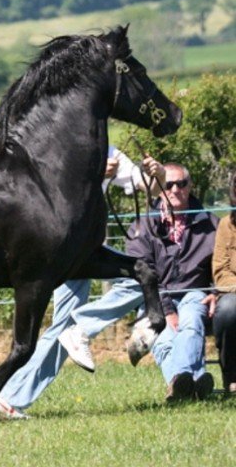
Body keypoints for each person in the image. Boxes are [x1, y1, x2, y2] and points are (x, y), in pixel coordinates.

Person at [0, 148, 167, 419]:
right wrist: (94, 174)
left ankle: (11, 398)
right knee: (139, 277)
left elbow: (148, 188)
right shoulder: (57, 143)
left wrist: (158, 176)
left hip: (86, 248)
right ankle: (80, 327)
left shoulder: (108, 151)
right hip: (60, 248)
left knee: (134, 282)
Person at [52, 163, 217, 402]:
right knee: (163, 340)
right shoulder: (142, 226)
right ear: (160, 189)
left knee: (190, 323)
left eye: (181, 184)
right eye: (168, 184)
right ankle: (193, 380)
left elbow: (223, 266)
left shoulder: (212, 224)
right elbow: (144, 275)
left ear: (190, 186)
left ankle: (182, 381)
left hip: (194, 293)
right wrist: (167, 310)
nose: (175, 189)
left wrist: (216, 293)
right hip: (154, 300)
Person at [211, 173, 236, 394]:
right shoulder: (227, 225)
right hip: (234, 291)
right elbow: (221, 272)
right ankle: (232, 377)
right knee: (229, 309)